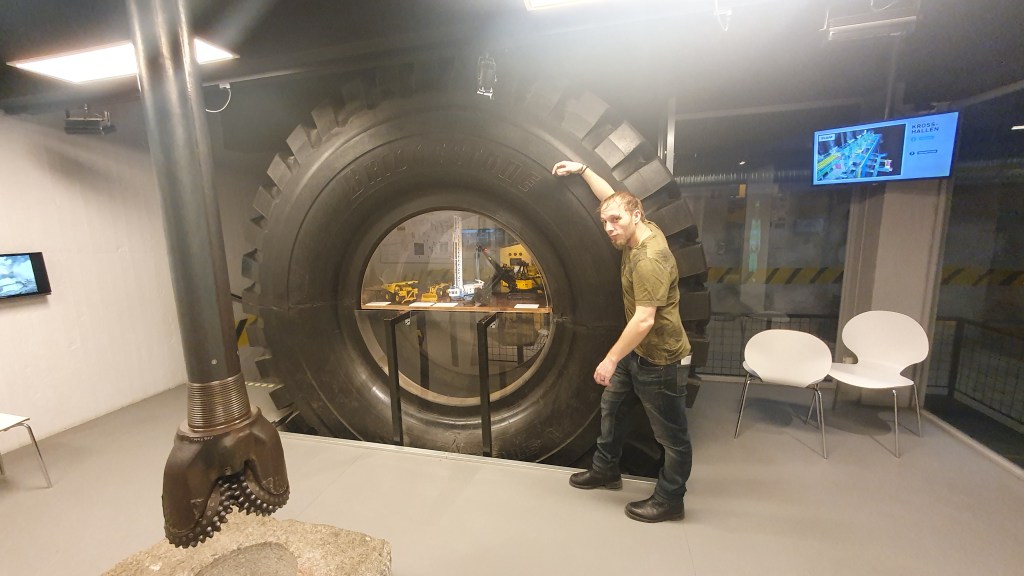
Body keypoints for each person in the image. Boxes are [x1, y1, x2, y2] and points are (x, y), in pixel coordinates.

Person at [551, 159, 693, 523]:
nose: (609, 228)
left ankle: (671, 499)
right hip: (638, 352)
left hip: (661, 358)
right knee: (612, 409)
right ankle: (606, 470)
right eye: (605, 222)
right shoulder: (639, 228)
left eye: (615, 221)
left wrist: (611, 359)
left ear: (636, 216)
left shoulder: (649, 258)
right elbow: (611, 199)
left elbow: (645, 319)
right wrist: (583, 170)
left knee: (671, 437)